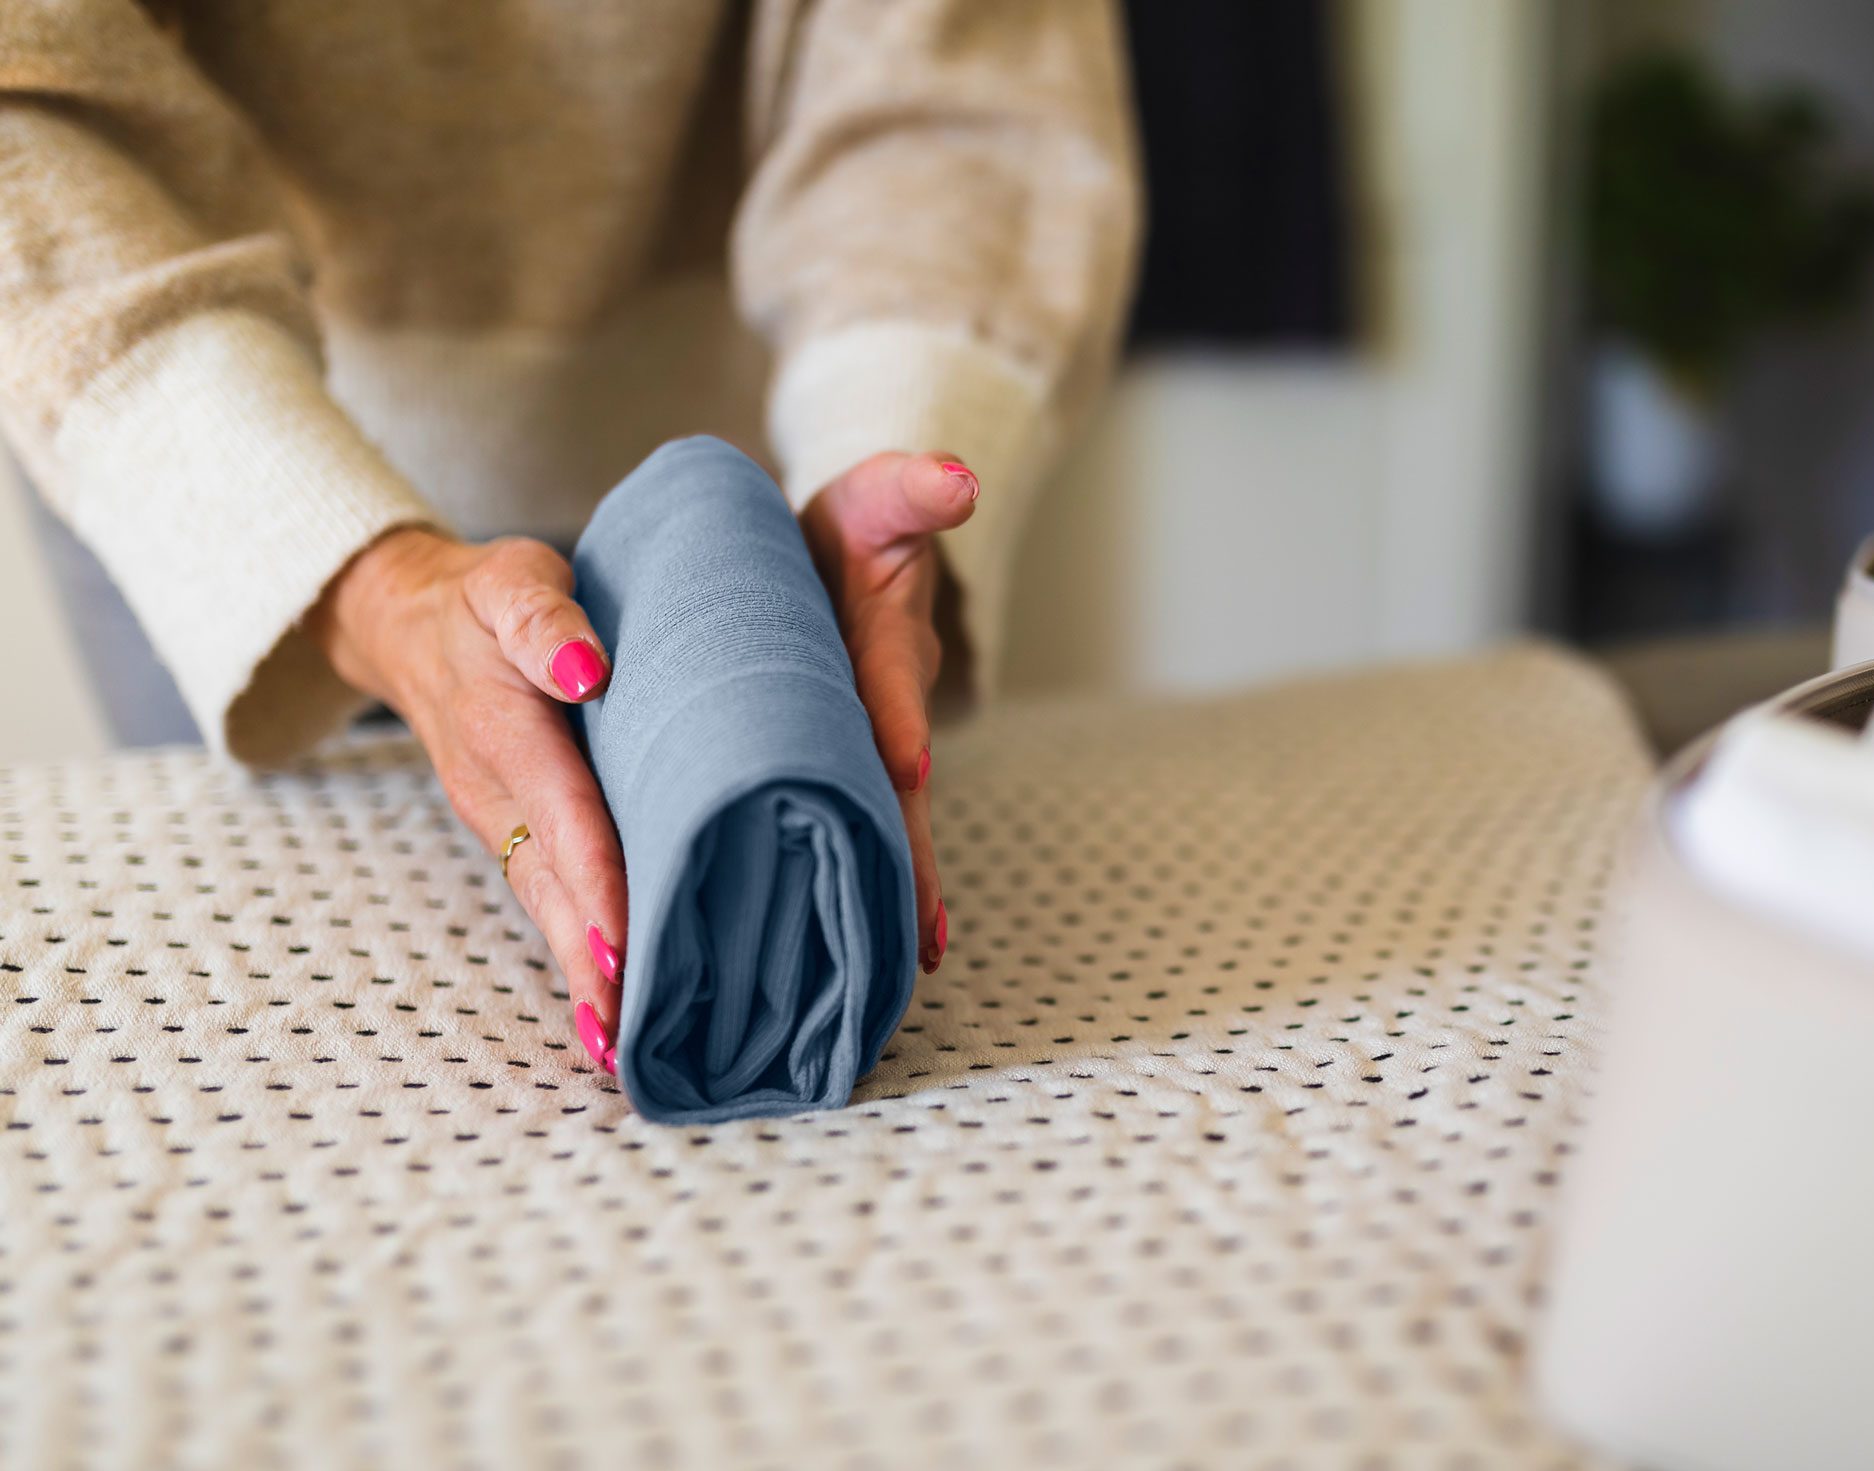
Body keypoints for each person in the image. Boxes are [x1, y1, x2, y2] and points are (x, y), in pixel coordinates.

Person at [0, 1, 1140, 1072]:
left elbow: (955, 85)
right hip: (216, 426)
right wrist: (370, 582)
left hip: (759, 481)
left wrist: (890, 427)